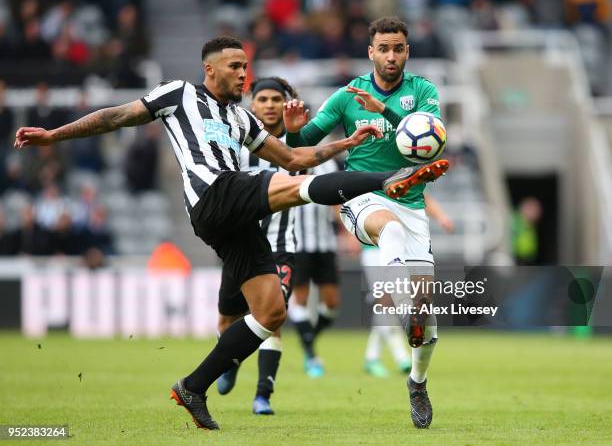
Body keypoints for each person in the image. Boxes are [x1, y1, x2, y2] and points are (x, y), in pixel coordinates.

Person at [14, 36, 448, 430]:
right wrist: (54, 135)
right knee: (298, 191)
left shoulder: (241, 119)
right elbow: (116, 115)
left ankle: (193, 387)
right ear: (210, 69)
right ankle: (388, 180)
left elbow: (295, 158)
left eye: (246, 67)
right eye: (235, 67)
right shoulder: (179, 94)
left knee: (271, 312)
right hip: (212, 193)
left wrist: (348, 145)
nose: (244, 74)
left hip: (233, 219)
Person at [284, 17, 447, 428]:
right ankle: (399, 304)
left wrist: (386, 112)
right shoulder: (347, 95)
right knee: (386, 229)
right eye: (384, 49)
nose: (391, 56)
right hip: (361, 196)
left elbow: (430, 145)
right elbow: (304, 143)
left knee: (425, 317)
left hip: (410, 203)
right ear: (370, 52)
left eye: (399, 49)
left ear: (407, 51)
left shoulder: (423, 92)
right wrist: (292, 132)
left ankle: (417, 382)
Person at [215, 76, 302, 415]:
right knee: (227, 322)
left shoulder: (295, 143)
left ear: (285, 104)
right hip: (240, 246)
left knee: (272, 319)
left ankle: (262, 395)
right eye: (262, 99)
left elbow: (303, 166)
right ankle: (232, 359)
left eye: (275, 99)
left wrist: (296, 133)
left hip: (280, 248)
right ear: (252, 105)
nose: (269, 105)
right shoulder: (235, 145)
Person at [363, 194, 454, 378]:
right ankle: (401, 357)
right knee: (386, 302)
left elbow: (421, 195)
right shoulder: (370, 168)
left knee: (390, 304)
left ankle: (372, 357)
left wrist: (441, 216)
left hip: (404, 247)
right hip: (375, 248)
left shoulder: (402, 171)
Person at [289, 159, 342, 378]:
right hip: (297, 242)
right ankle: (311, 354)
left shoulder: (330, 164)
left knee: (332, 303)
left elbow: (338, 201)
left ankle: (308, 339)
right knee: (300, 298)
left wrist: (348, 232)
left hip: (325, 242)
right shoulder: (289, 157)